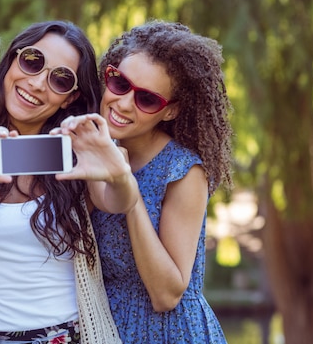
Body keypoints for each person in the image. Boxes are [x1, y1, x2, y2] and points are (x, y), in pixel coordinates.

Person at [0, 21, 122, 344]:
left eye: (60, 79)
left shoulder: (76, 156)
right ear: (12, 60)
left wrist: (120, 176)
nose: (39, 83)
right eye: (32, 61)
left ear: (70, 98)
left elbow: (116, 201)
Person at [53, 20, 233, 343]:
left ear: (170, 111)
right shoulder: (89, 147)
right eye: (119, 83)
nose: (123, 103)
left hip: (168, 332)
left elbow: (166, 295)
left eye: (147, 99)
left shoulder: (182, 170)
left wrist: (130, 195)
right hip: (104, 328)